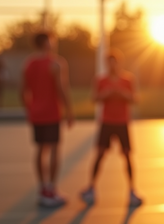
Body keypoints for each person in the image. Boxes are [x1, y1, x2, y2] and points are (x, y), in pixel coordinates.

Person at [81, 49, 143, 207]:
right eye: (110, 62)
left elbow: (134, 98)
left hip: (122, 122)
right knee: (100, 154)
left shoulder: (127, 79)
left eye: (115, 62)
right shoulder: (101, 80)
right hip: (107, 122)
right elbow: (94, 98)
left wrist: (122, 94)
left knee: (127, 155)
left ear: (119, 63)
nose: (113, 65)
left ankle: (132, 190)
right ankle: (91, 188)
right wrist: (107, 94)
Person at [21, 31, 74, 207]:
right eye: (52, 40)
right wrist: (69, 110)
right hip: (51, 113)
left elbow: (23, 91)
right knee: (54, 149)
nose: (54, 43)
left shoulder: (29, 64)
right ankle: (51, 189)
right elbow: (61, 89)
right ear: (46, 43)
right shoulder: (55, 63)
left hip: (36, 114)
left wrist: (30, 109)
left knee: (40, 149)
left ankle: (42, 188)